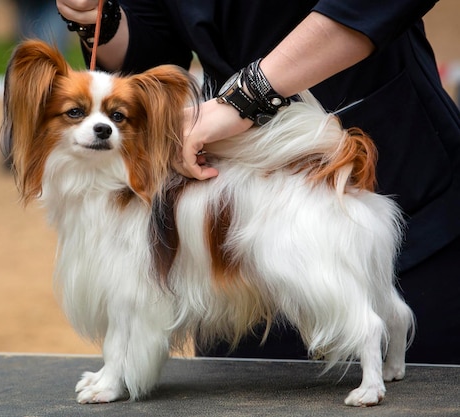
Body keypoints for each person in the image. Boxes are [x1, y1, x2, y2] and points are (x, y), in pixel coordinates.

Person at [55, 0, 460, 364]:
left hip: (385, 184)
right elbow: (156, 47)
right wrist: (103, 20)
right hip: (232, 226)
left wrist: (250, 96)